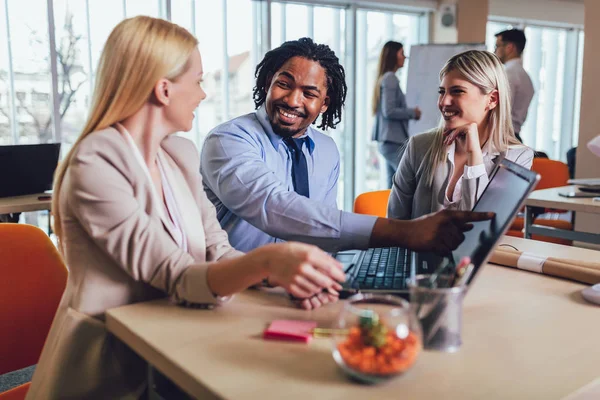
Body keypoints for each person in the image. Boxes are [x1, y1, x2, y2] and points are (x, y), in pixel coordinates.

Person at [26, 18, 346, 399]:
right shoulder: (93, 162)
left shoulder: (179, 154)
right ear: (164, 89)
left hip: (181, 342)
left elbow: (218, 250)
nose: (202, 95)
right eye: (197, 81)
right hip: (110, 369)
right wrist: (269, 262)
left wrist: (283, 277)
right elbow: (176, 275)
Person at [200, 38, 493, 262]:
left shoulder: (325, 151)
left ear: (324, 103)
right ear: (268, 84)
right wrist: (402, 231)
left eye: (309, 93)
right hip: (237, 284)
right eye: (283, 85)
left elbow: (320, 231)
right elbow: (274, 207)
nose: (292, 100)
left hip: (298, 286)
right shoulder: (229, 140)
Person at [388, 50, 533, 220]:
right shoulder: (419, 146)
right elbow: (395, 223)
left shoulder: (517, 158)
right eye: (442, 92)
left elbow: (483, 227)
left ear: (492, 99)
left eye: (457, 91)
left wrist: (474, 156)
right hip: (416, 247)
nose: (444, 102)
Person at [371, 41, 421, 187]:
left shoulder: (385, 78)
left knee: (392, 186)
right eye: (401, 53)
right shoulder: (390, 78)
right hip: (393, 141)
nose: (404, 57)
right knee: (408, 183)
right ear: (393, 56)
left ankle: (388, 211)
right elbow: (389, 110)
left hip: (388, 141)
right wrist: (413, 113)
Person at [494, 29, 534, 144]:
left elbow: (500, 110)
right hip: (513, 136)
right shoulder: (526, 77)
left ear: (509, 47)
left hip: (502, 138)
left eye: (497, 46)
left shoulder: (508, 73)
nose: (495, 50)